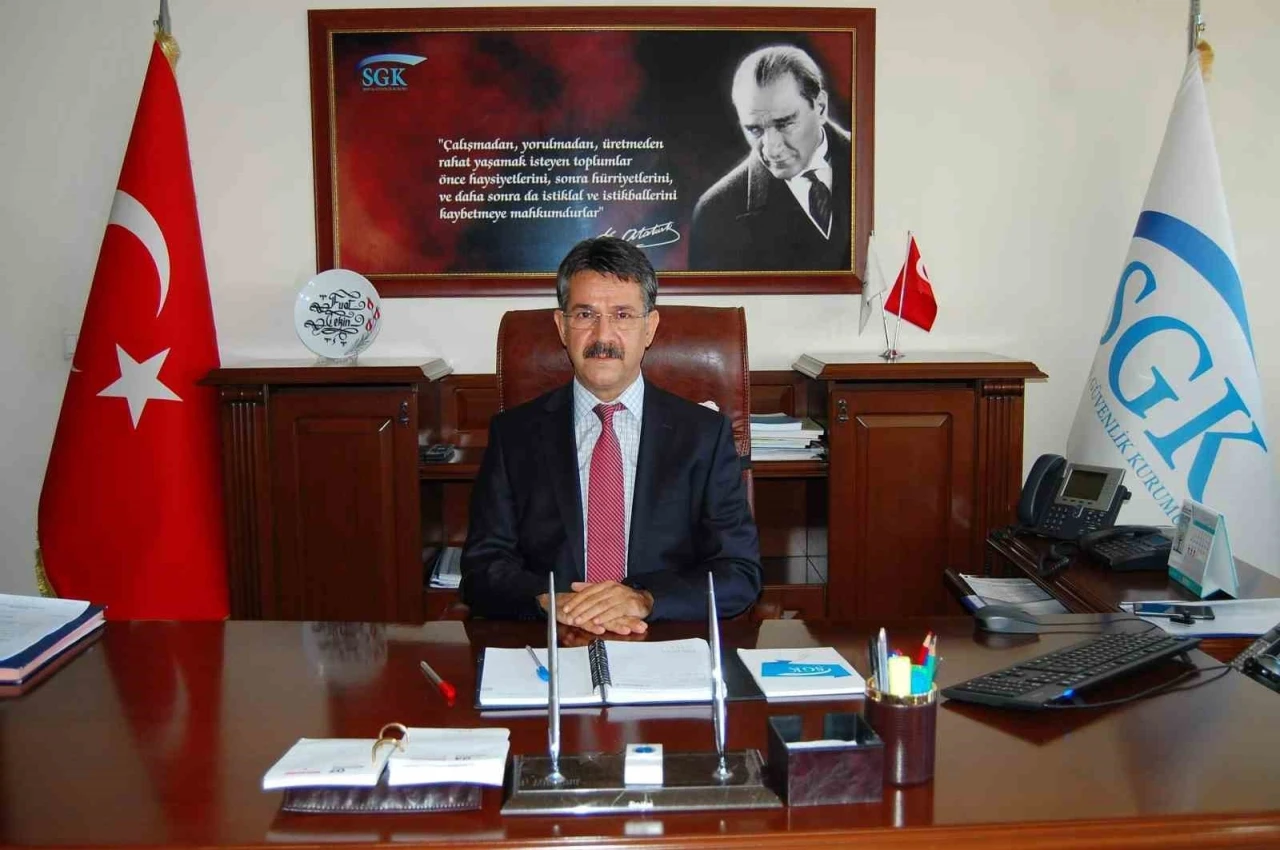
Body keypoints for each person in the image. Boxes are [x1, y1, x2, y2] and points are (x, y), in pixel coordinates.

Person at [460, 236, 762, 633]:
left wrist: (646, 599)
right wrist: (547, 600)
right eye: (585, 314)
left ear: (650, 328)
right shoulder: (514, 435)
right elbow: (482, 568)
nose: (603, 336)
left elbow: (739, 572)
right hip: (555, 639)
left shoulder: (703, 436)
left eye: (622, 315)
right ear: (562, 327)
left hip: (664, 639)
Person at [689, 45, 851, 272]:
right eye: (754, 130)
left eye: (785, 124)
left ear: (821, 107)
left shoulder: (878, 166)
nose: (771, 149)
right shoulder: (716, 214)